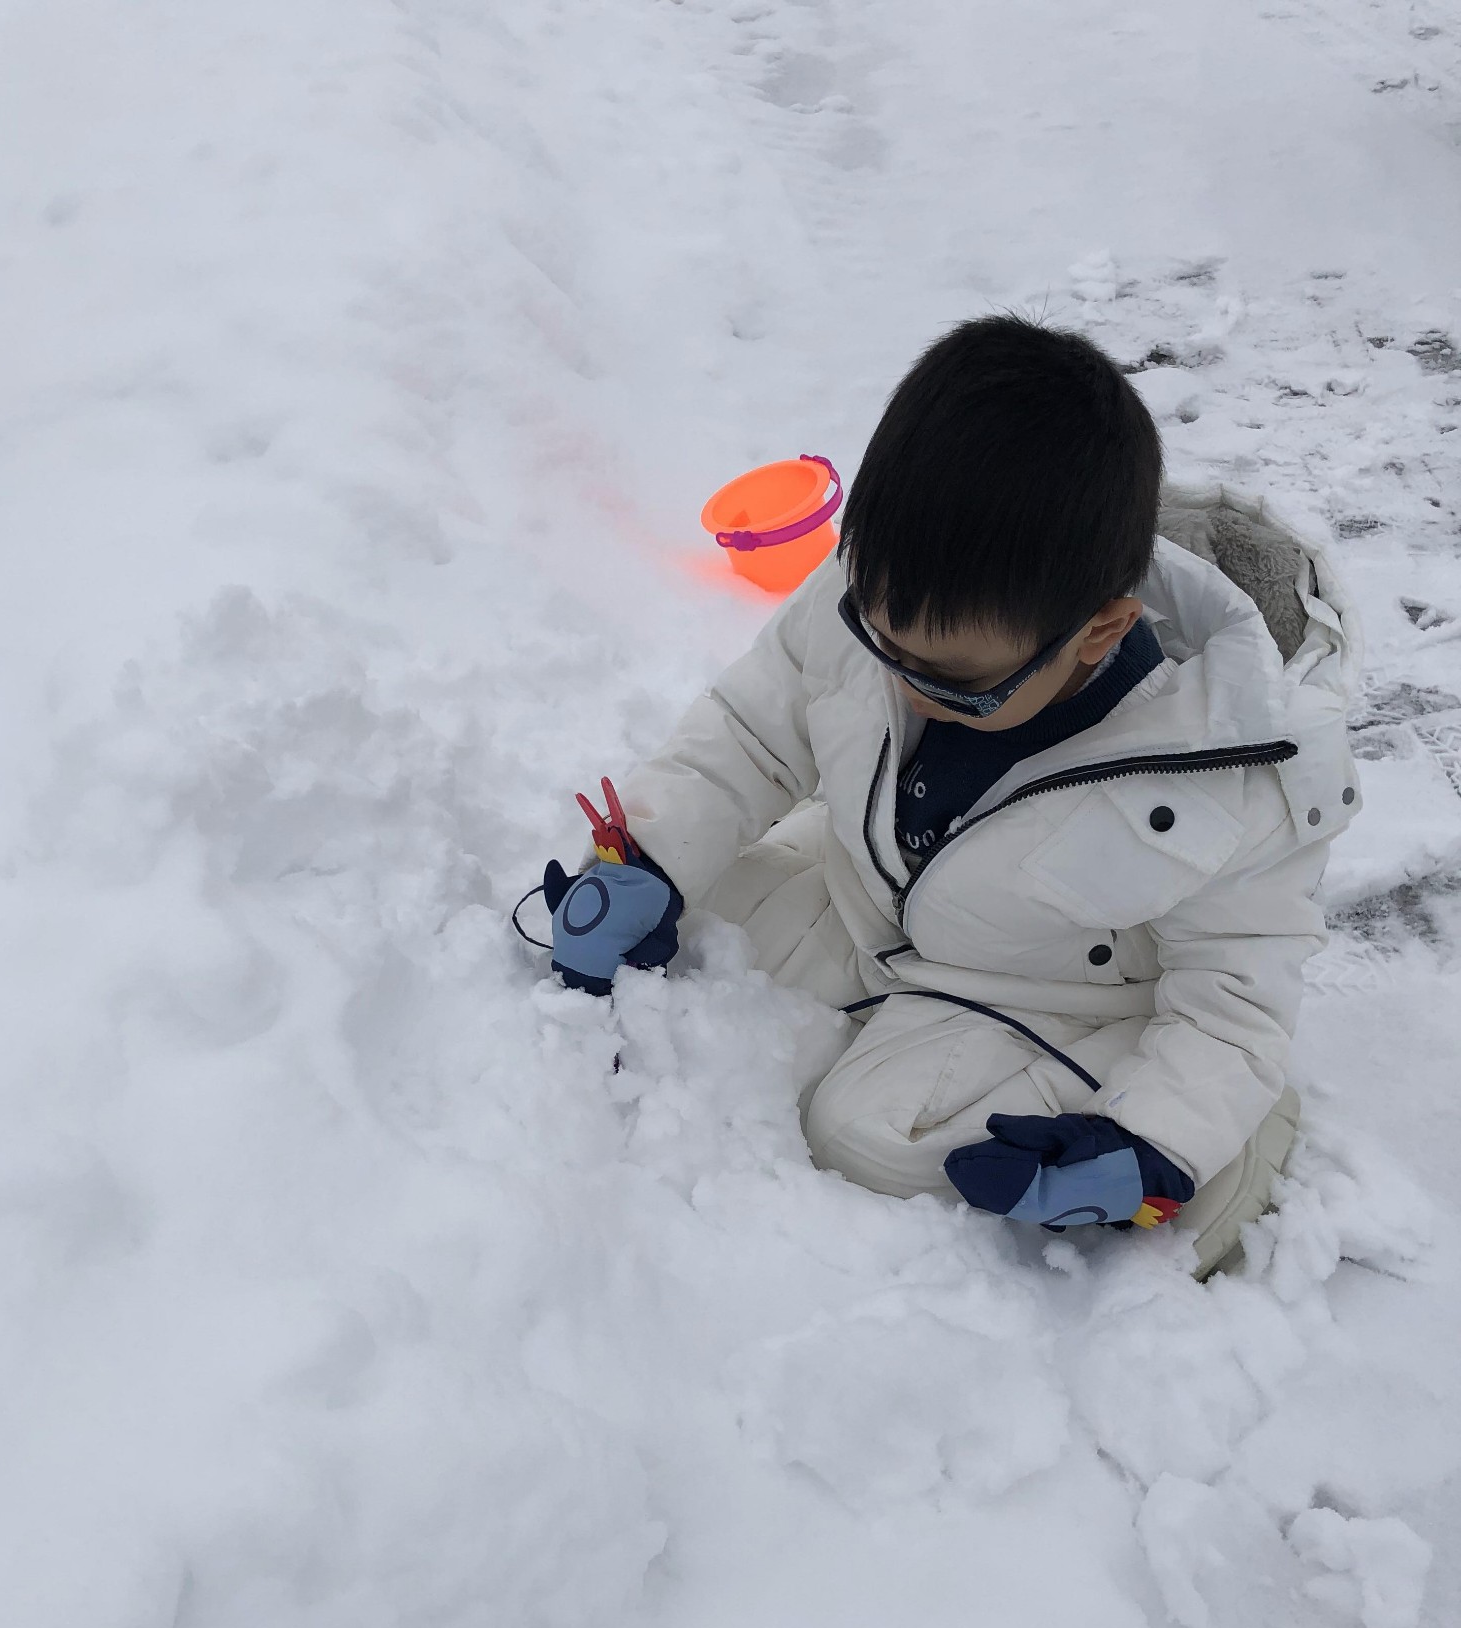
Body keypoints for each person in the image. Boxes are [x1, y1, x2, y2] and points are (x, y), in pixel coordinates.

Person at [540, 316, 1363, 1276]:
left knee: (865, 1136)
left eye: (952, 679)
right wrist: (652, 852)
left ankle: (1235, 1148)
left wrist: (1154, 1143)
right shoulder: (889, 590)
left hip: (1059, 993)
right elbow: (754, 729)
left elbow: (1230, 1005)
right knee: (693, 928)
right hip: (874, 894)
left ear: (1099, 631)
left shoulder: (1236, 771)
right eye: (879, 637)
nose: (900, 681)